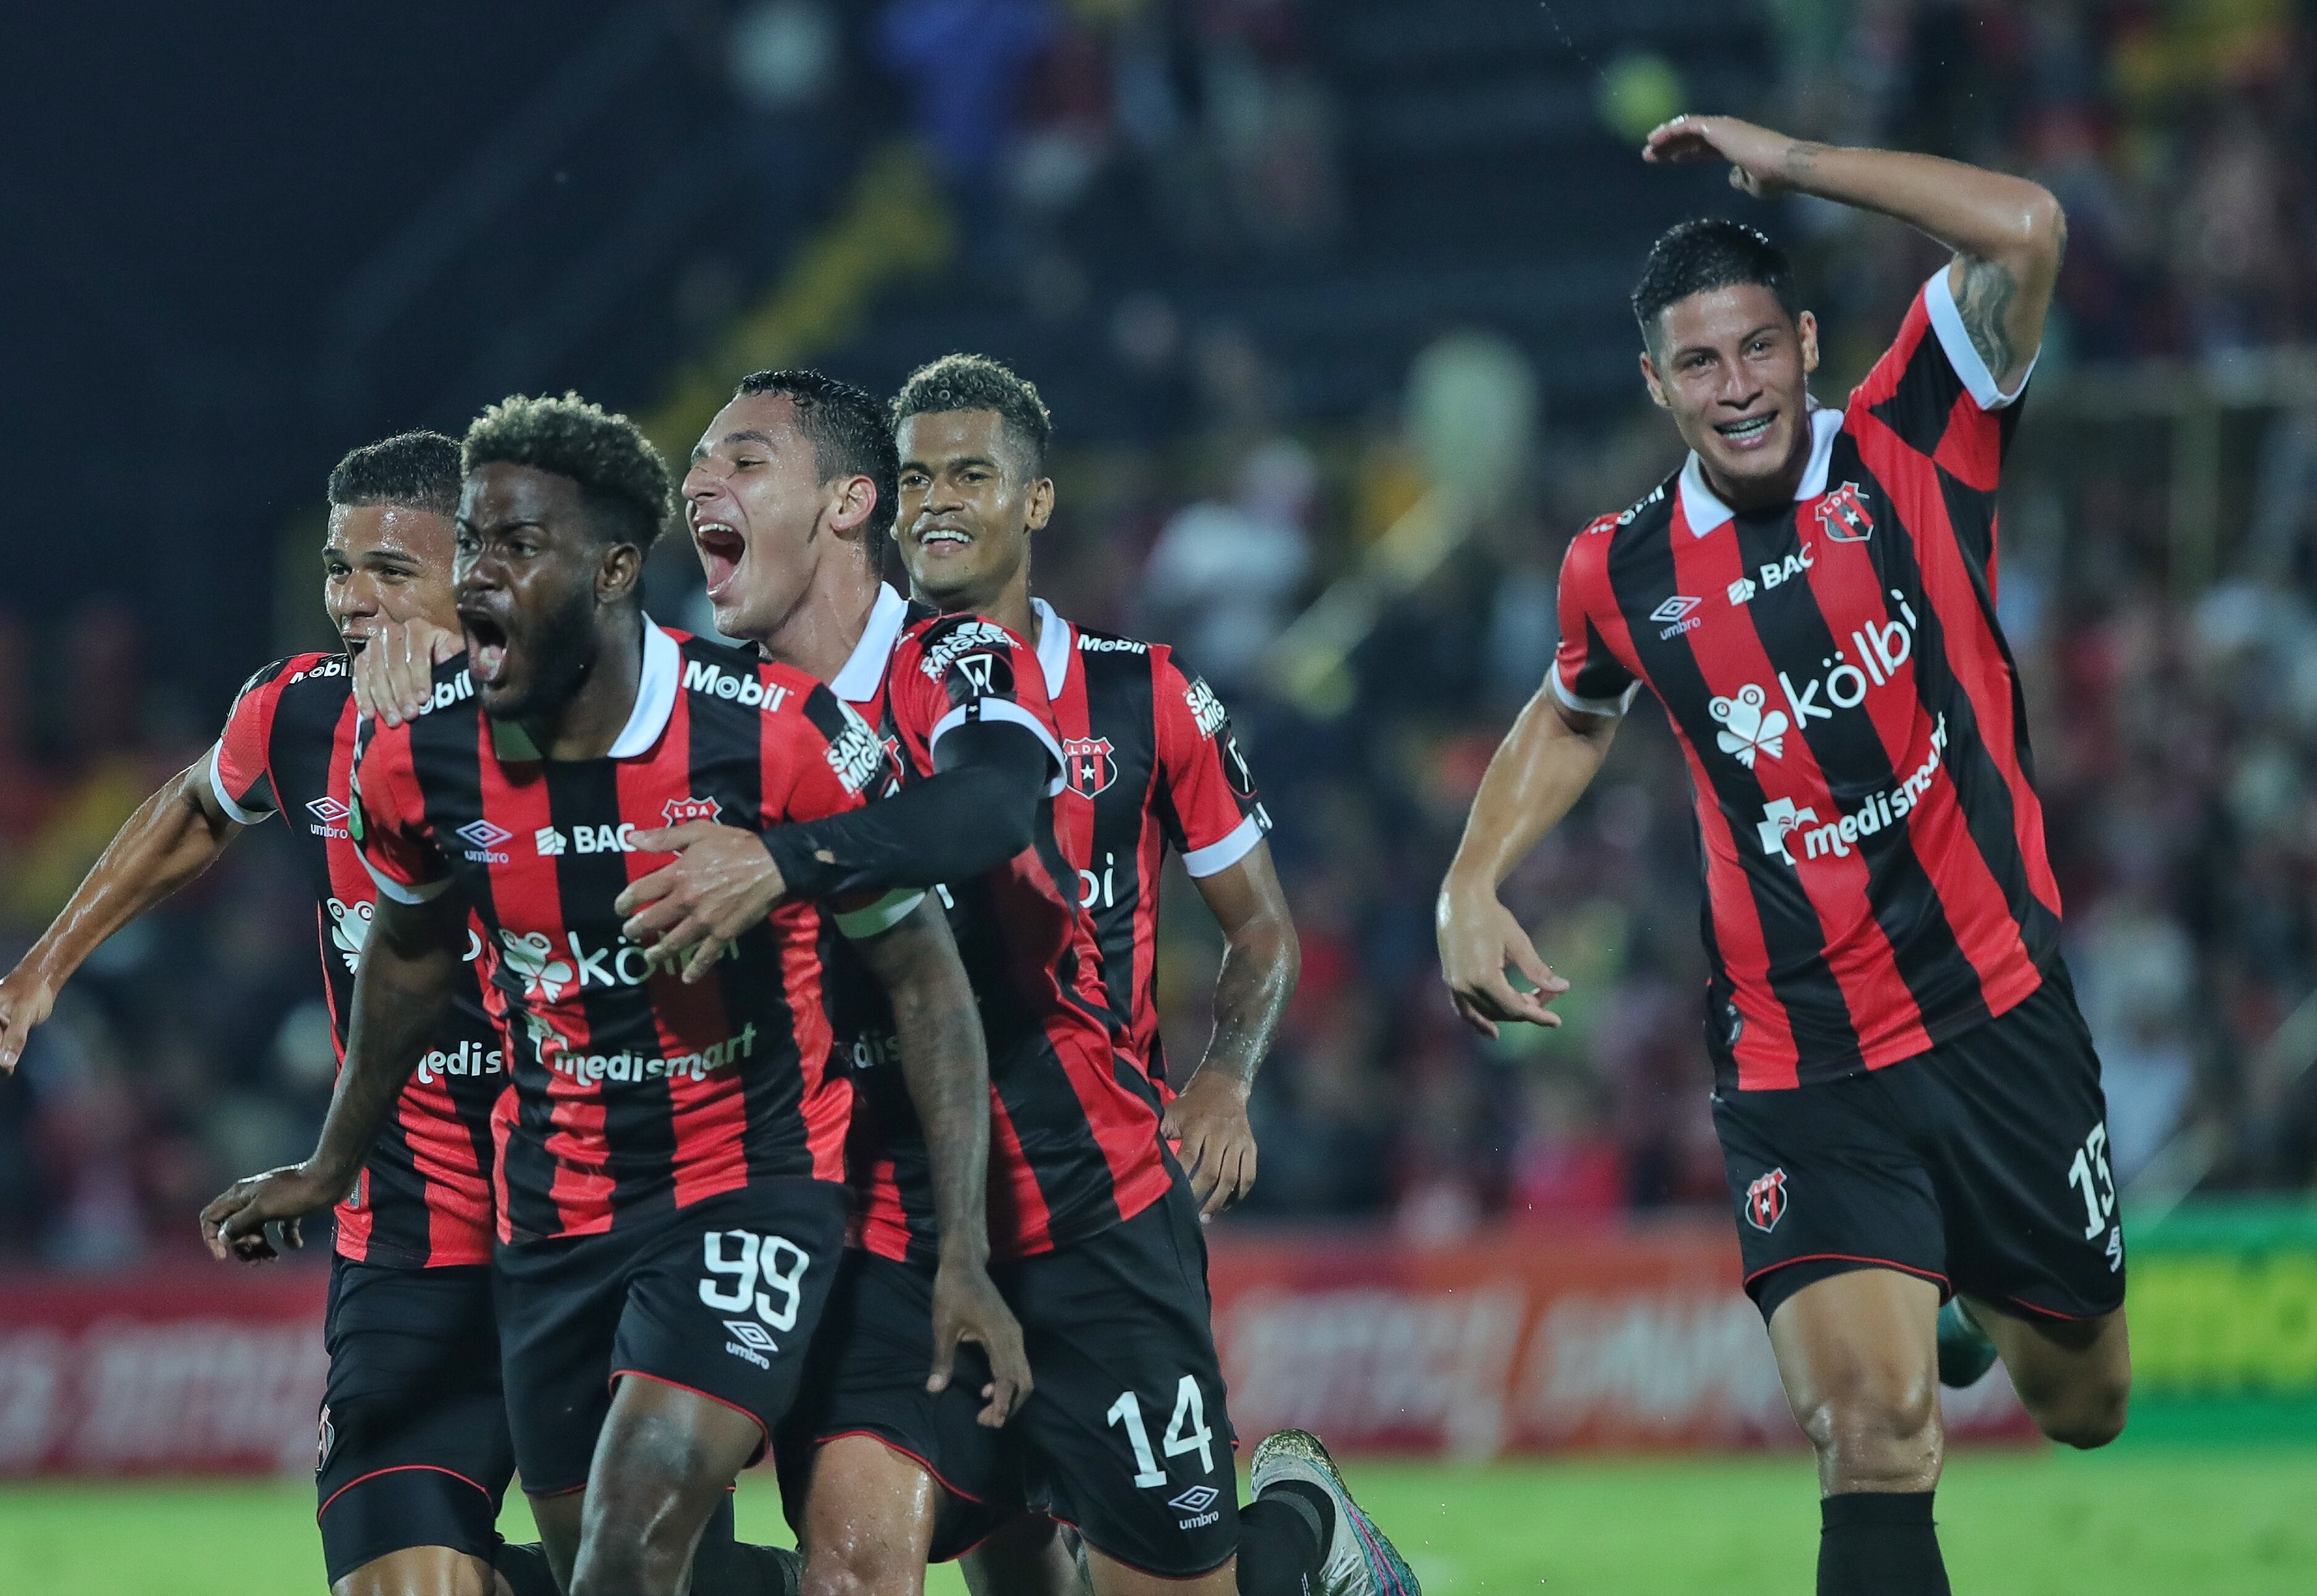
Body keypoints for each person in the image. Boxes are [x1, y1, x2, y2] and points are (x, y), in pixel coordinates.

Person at [1436, 116, 2129, 1596]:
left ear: (1806, 345)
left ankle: (1966, 1298)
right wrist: (1468, 879)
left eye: (1757, 347)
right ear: (1655, 385)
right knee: (1871, 1436)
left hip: (1998, 1008)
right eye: (1697, 363)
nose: (1735, 385)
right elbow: (1569, 710)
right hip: (1801, 1059)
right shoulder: (1619, 568)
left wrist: (1792, 165)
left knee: (2085, 1405)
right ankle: (1912, 1314)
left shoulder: (1910, 437)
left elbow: (2026, 227)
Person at [201, 392, 1028, 1596]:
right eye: (470, 545)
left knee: (631, 1543)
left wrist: (963, 1248)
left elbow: (926, 978)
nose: (478, 577)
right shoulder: (418, 760)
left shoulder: (773, 736)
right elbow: (409, 961)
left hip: (745, 1189)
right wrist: (332, 1165)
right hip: (557, 1214)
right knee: (632, 1568)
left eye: (518, 546)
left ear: (613, 570)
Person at [617, 363, 1412, 1596]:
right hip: (884, 1224)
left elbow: (991, 809)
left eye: (745, 460)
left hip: (1083, 1203)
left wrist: (1223, 1078)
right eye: (699, 465)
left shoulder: (965, 663)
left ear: (845, 504)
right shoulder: (719, 718)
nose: (701, 486)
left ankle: (1303, 1527)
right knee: (851, 1571)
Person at [0, 434, 535, 1596]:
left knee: (633, 1561)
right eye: (337, 568)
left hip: (582, 1221)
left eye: (390, 570)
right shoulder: (299, 709)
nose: (352, 599)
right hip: (406, 1233)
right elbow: (195, 806)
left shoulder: (564, 720)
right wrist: (40, 972)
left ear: (476, 576)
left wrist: (463, 696)